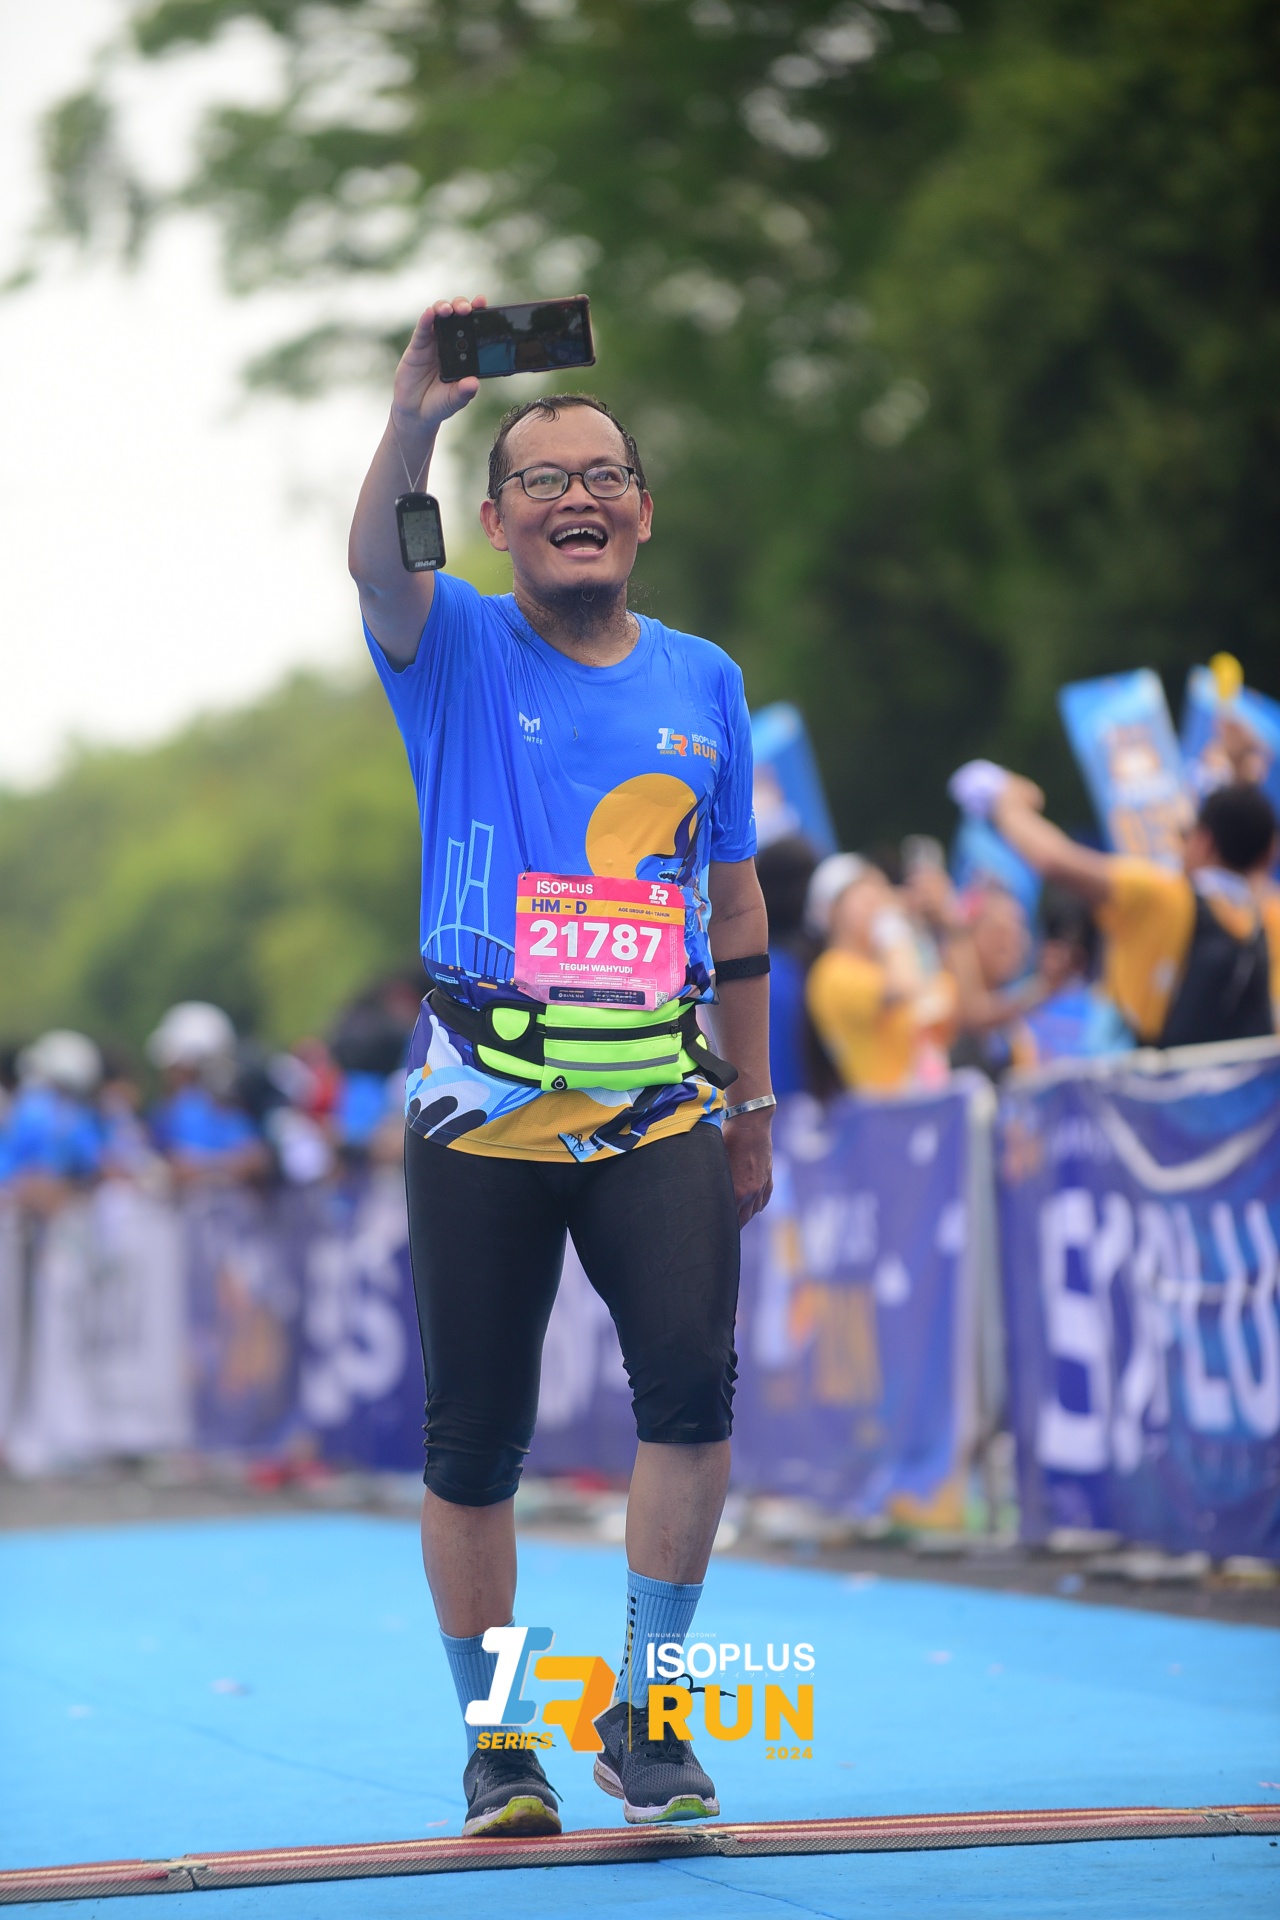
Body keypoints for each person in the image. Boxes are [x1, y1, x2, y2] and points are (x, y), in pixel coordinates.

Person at [348, 296, 773, 1837]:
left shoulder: (705, 679)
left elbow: (737, 908)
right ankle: (502, 1745)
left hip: (659, 1099)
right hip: (480, 1107)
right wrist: (418, 414)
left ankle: (648, 1720)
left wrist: (753, 1100)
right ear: (495, 521)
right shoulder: (452, 643)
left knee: (693, 1401)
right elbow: (373, 561)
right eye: (540, 478)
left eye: (602, 474)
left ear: (643, 513)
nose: (575, 495)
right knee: (475, 1445)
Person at [950, 763, 1277, 1047]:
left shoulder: (1164, 894)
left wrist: (1005, 803)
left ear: (1204, 842)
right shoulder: (1268, 915)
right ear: (1266, 856)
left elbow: (1054, 860)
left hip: (1163, 1088)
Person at [804, 858, 957, 1092]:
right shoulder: (831, 970)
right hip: (881, 1106)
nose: (879, 902)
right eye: (863, 894)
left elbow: (947, 1005)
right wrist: (892, 928)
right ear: (834, 910)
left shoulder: (882, 964)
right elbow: (904, 988)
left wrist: (945, 926)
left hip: (915, 1098)